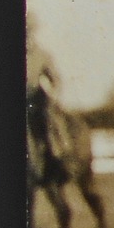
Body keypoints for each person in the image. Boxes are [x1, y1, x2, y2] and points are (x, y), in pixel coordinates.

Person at [25, 12, 75, 162]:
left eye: (30, 31)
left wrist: (54, 93)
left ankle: (58, 154)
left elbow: (56, 79)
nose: (27, 36)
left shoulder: (42, 55)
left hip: (35, 99)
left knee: (49, 116)